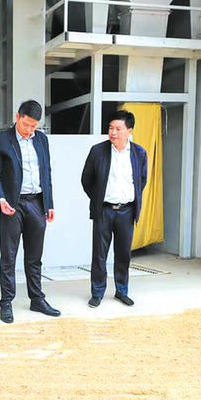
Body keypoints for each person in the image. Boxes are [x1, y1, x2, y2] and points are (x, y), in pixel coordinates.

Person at [0, 100, 61, 323]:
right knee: (8, 257)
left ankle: (37, 299)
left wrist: (49, 203)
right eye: (26, 124)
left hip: (37, 203)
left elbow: (46, 172)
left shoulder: (42, 140)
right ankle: (6, 303)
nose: (29, 130)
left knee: (34, 256)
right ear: (17, 117)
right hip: (12, 205)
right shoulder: (1, 140)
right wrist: (1, 199)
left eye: (34, 126)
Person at [81, 110, 149, 308]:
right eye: (111, 128)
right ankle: (97, 292)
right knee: (99, 253)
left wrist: (129, 198)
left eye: (118, 129)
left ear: (129, 131)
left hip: (127, 211)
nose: (113, 132)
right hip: (104, 210)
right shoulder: (98, 151)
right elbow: (86, 179)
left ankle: (121, 291)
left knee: (123, 253)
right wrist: (98, 199)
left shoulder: (139, 153)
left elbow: (142, 180)